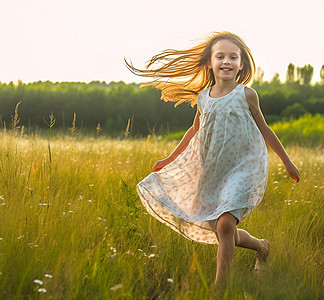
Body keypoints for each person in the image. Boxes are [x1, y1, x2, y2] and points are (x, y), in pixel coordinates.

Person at [126, 32, 300, 286]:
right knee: (223, 230)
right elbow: (194, 130)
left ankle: (219, 289)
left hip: (243, 168)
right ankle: (262, 247)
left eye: (233, 57)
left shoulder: (247, 95)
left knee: (226, 223)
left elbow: (265, 129)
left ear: (242, 64)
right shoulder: (203, 98)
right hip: (213, 171)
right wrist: (170, 158)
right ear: (210, 62)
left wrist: (287, 161)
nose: (226, 61)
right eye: (220, 56)